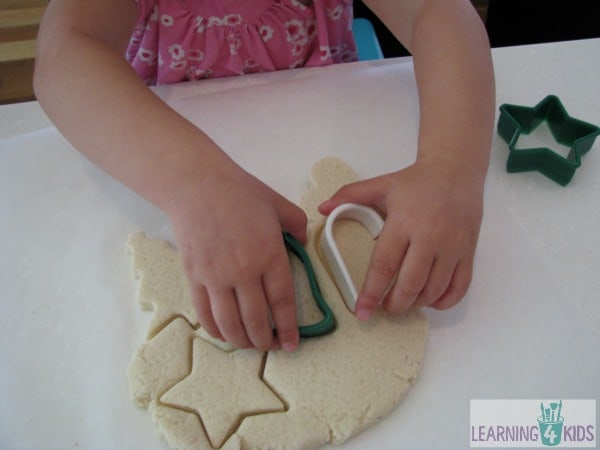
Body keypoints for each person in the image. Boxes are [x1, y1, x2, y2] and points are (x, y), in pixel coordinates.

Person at [34, 0, 495, 353]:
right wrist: (196, 186)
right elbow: (67, 54)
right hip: (149, 149)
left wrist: (452, 167)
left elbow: (438, 10)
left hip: (332, 124)